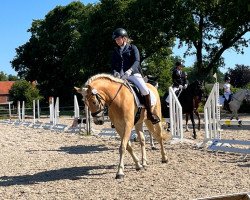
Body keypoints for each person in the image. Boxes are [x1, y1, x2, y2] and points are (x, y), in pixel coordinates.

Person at [111, 28, 160, 124]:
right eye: (115, 40)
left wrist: (130, 70)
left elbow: (137, 61)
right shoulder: (115, 51)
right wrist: (115, 72)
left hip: (133, 74)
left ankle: (150, 114)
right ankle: (114, 116)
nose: (116, 41)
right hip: (120, 76)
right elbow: (113, 65)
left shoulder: (133, 48)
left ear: (124, 38)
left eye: (118, 39)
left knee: (145, 90)